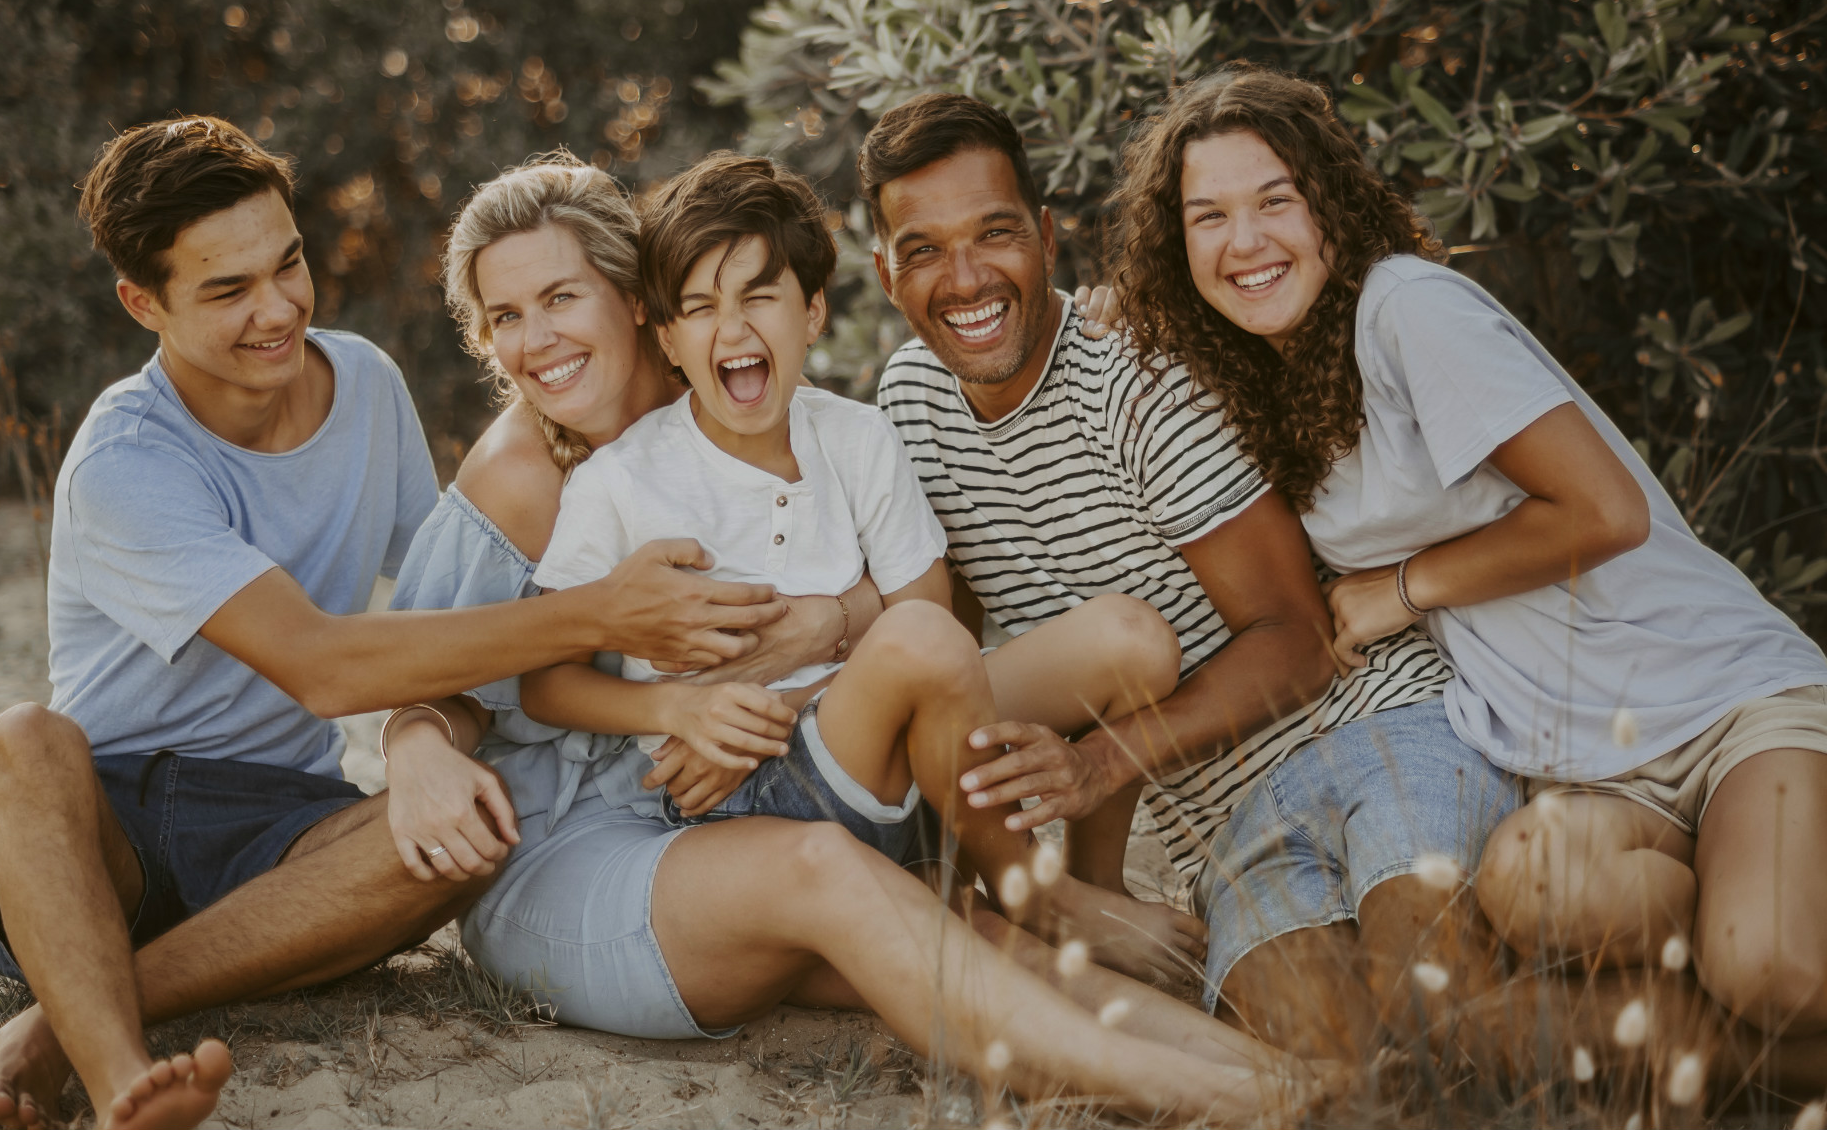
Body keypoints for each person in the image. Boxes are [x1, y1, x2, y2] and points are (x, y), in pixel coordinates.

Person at [381, 151, 1308, 1121]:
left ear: (631, 299)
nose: (535, 343)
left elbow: (906, 605)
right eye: (506, 319)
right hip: (614, 832)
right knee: (869, 890)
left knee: (995, 853)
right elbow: (429, 665)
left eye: (560, 298)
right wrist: (416, 742)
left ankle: (1284, 1075)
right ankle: (1217, 1096)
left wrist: (831, 621)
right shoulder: (539, 473)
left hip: (815, 737)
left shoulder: (785, 413)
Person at [0, 119, 791, 1130]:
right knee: (23, 738)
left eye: (288, 263)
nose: (276, 310)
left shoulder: (366, 386)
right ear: (143, 303)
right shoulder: (125, 462)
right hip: (100, 821)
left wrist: (433, 735)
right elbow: (323, 667)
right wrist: (599, 612)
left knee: (475, 826)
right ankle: (123, 1077)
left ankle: (58, 1015)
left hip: (283, 825)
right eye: (227, 291)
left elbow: (451, 602)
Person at [1109, 61, 1827, 1073]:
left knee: (1779, 976)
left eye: (1275, 201)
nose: (1245, 241)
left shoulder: (1406, 308)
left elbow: (1604, 512)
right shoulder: (1275, 378)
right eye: (1207, 217)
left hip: (1719, 698)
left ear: (1331, 207)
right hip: (1586, 766)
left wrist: (1397, 590)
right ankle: (1752, 936)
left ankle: (1767, 929)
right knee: (1533, 903)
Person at [863, 92, 1519, 1052]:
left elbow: (1297, 639)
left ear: (1046, 237)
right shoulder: (909, 403)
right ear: (885, 274)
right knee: (1333, 1050)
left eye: (994, 234)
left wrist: (1095, 765)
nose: (964, 278)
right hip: (1226, 826)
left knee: (1434, 1001)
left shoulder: (1135, 374)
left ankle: (1767, 1050)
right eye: (923, 249)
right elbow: (948, 655)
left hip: (1379, 727)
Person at [516, 152, 1198, 972]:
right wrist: (674, 713)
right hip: (739, 799)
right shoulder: (622, 481)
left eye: (759, 296)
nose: (733, 330)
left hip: (888, 751)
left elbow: (927, 616)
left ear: (811, 314)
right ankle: (1033, 897)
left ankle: (1094, 889)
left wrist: (811, 679)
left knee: (1134, 640)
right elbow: (543, 682)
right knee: (917, 644)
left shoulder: (857, 437)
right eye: (699, 308)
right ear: (666, 337)